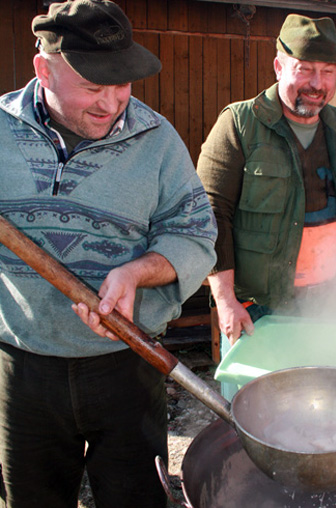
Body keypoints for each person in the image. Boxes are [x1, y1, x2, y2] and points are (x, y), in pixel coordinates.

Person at [0, 1, 217, 507]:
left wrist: (136, 273)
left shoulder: (158, 140)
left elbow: (194, 236)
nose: (112, 103)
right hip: (22, 366)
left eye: (123, 85)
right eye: (94, 87)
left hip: (129, 363)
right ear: (44, 70)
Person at [197, 14, 336, 397]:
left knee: (329, 404)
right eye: (306, 69)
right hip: (260, 310)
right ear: (279, 66)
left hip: (333, 305)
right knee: (260, 411)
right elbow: (211, 213)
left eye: (328, 71)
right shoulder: (239, 124)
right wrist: (225, 300)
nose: (317, 84)